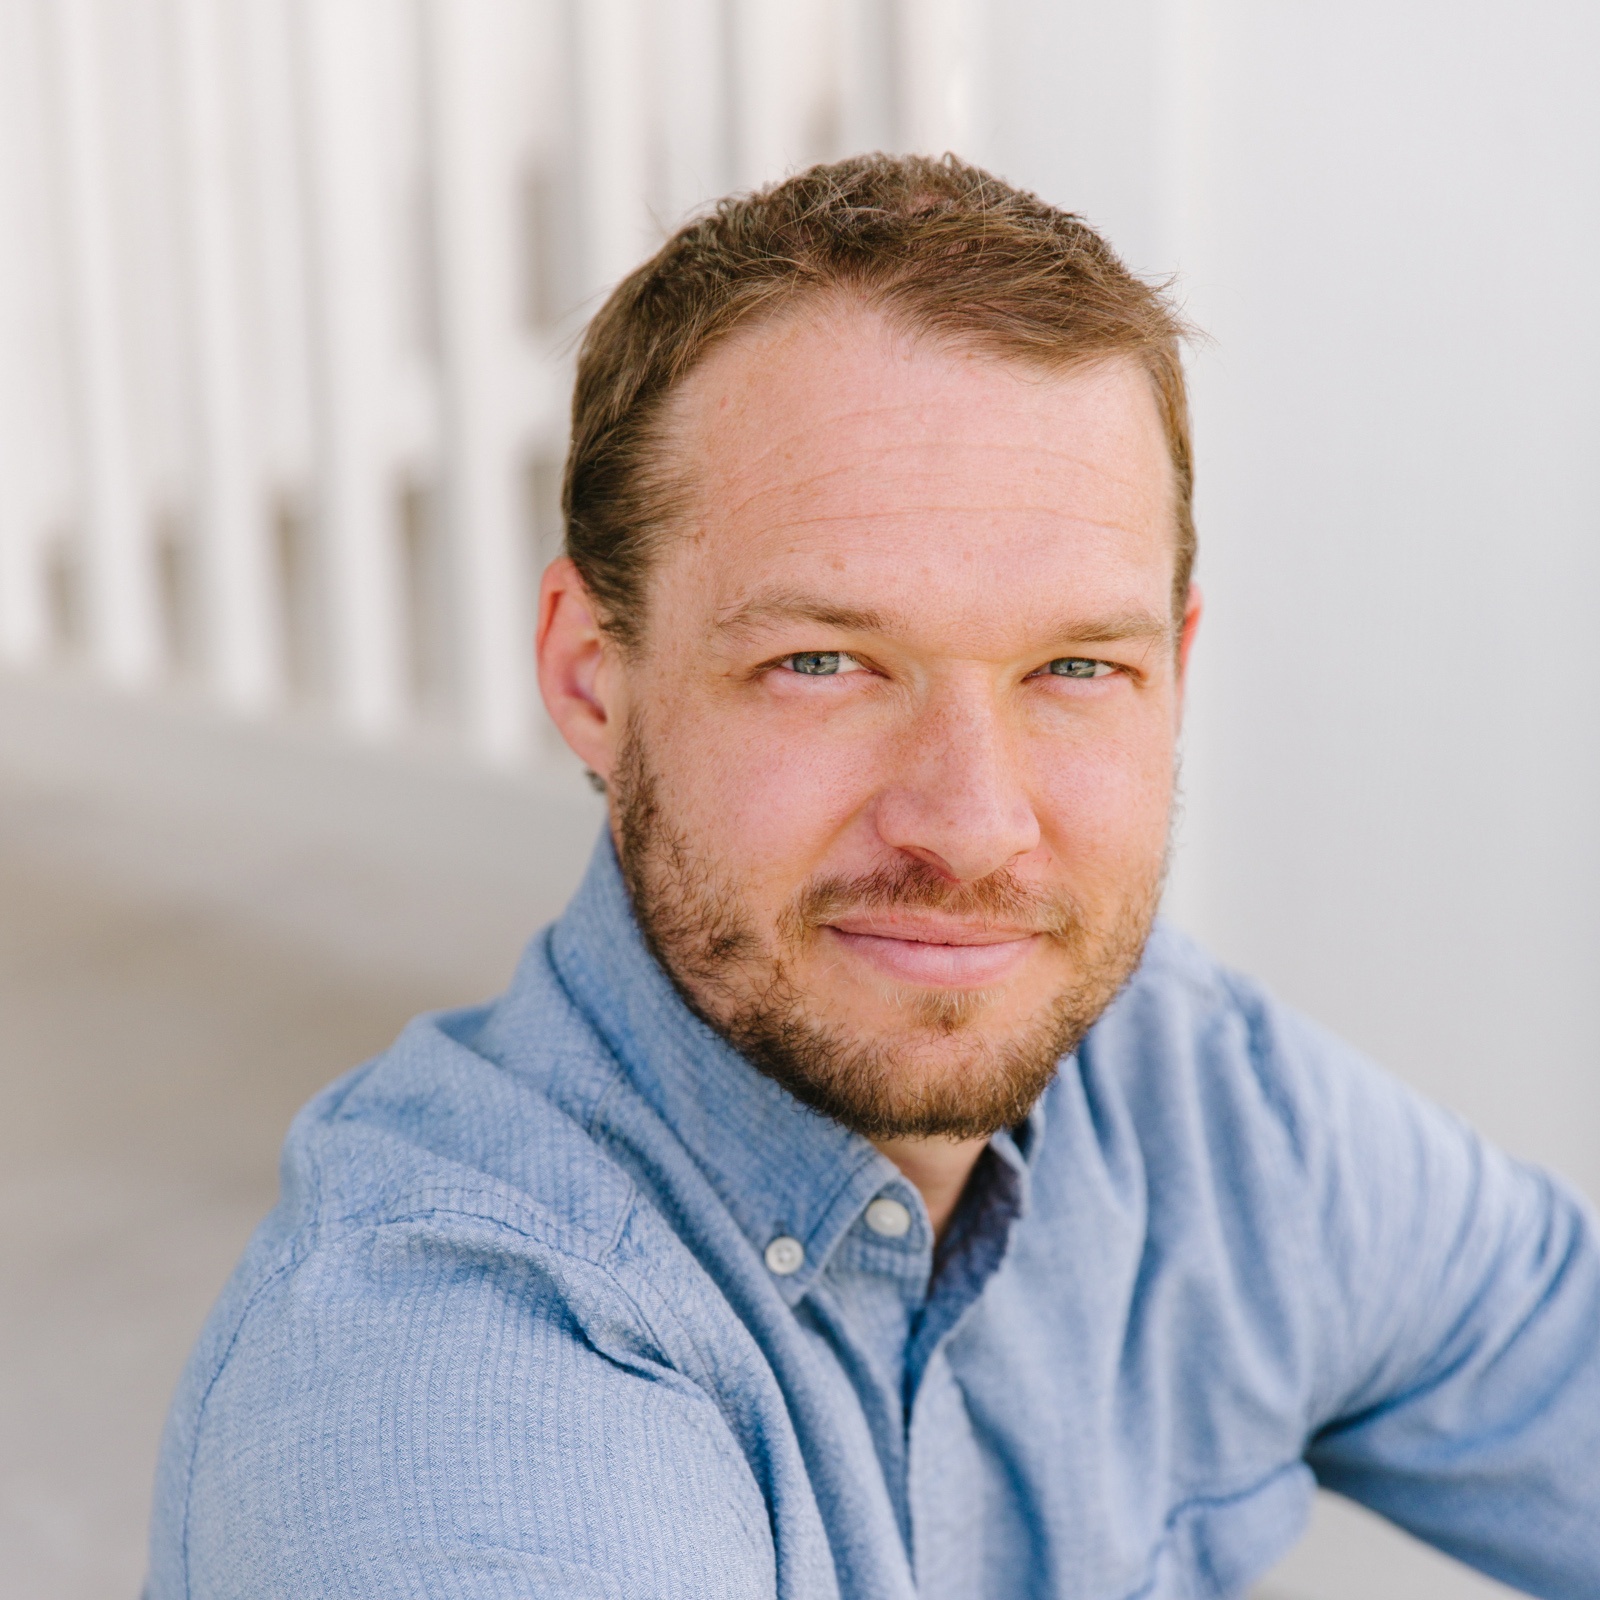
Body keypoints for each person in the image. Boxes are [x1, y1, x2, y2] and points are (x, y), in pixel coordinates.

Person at [147, 155, 1600, 1600]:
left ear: (1177, 671)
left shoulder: (1192, 1096)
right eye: (824, 663)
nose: (971, 826)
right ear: (593, 673)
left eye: (1076, 668)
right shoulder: (441, 1388)